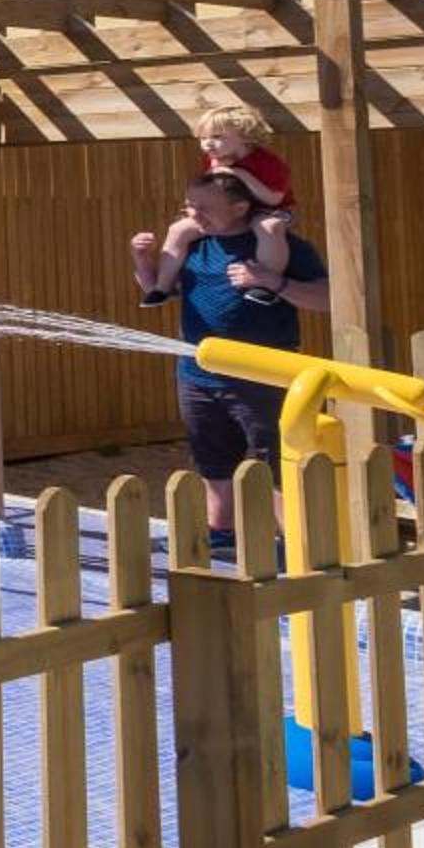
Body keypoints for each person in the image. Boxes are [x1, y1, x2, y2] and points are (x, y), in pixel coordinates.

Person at [129, 170, 330, 552]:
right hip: (197, 375)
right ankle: (221, 533)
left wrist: (273, 281)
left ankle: (292, 543)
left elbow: (328, 298)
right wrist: (142, 259)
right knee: (212, 459)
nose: (194, 214)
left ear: (239, 208)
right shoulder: (193, 245)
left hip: (265, 375)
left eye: (205, 208)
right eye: (189, 205)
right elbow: (160, 289)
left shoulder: (280, 245)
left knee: (278, 461)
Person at [145, 105, 295, 308]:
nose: (208, 144)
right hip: (229, 211)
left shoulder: (267, 162)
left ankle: (266, 286)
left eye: (217, 137)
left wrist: (239, 174)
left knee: (269, 227)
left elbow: (274, 199)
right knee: (178, 229)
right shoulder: (213, 160)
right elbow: (208, 190)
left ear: (245, 136)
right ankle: (162, 287)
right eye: (203, 138)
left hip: (266, 210)